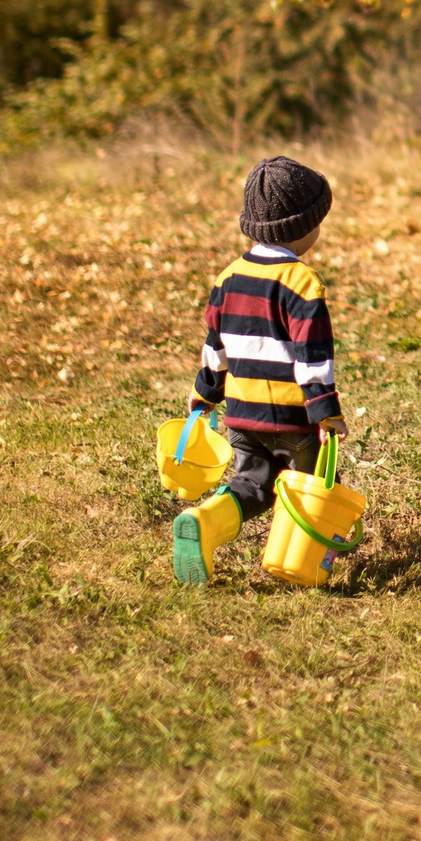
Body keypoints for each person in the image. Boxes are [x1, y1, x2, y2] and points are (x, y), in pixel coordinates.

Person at [171, 154, 348, 585]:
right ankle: (298, 568)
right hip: (293, 418)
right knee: (313, 487)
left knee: (254, 481)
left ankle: (206, 520)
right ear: (301, 229)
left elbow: (216, 349)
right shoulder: (303, 284)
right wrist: (324, 412)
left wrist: (205, 394)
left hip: (243, 413)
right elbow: (312, 359)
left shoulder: (228, 279)